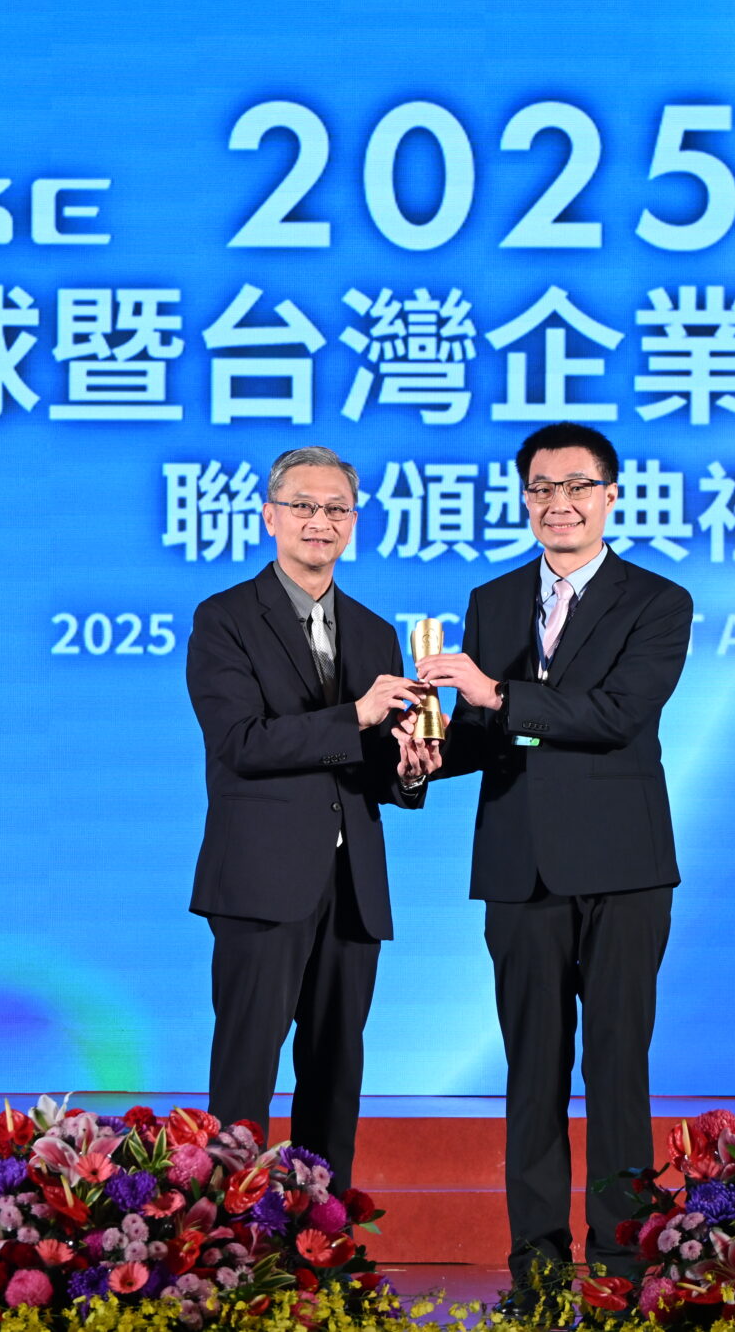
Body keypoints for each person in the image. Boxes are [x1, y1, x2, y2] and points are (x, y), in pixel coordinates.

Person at [416, 422, 694, 1290]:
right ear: (524, 497)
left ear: (611, 495)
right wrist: (422, 754)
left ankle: (620, 1263)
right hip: (520, 866)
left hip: (623, 869)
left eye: (577, 487)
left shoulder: (658, 601)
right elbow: (482, 732)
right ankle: (534, 1266)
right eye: (541, 487)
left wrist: (498, 694)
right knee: (531, 1072)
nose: (558, 503)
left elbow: (616, 716)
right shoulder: (493, 599)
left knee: (617, 1068)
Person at [186, 445, 440, 1192]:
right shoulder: (225, 618)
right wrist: (355, 714)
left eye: (336, 508)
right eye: (303, 505)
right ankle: (226, 1234)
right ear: (270, 516)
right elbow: (241, 743)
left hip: (352, 884)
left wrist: (409, 769)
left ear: (353, 522)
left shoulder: (374, 631)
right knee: (246, 1072)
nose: (319, 521)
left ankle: (319, 1232)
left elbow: (369, 766)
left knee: (335, 1072)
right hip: (261, 881)